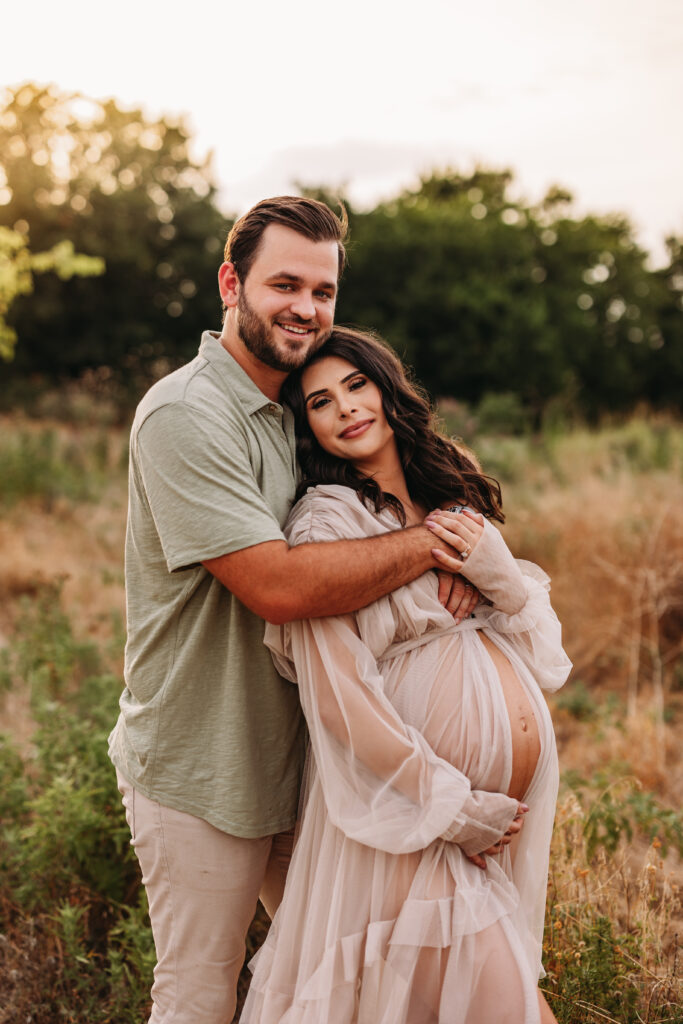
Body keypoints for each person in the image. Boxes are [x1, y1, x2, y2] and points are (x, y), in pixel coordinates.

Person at [108, 197, 485, 1024]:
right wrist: (431, 548)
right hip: (205, 764)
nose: (306, 309)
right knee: (201, 995)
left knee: (338, 982)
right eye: (285, 284)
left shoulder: (298, 407)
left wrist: (467, 538)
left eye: (323, 291)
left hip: (311, 760)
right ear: (229, 283)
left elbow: (403, 473)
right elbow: (278, 584)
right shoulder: (185, 415)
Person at [241, 327, 572, 1024]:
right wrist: (453, 808)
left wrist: (499, 576)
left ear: (388, 389)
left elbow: (547, 658)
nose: (345, 409)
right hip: (412, 821)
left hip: (481, 828)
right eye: (320, 402)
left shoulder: (451, 499)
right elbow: (338, 694)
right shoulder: (324, 523)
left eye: (356, 386)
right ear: (308, 429)